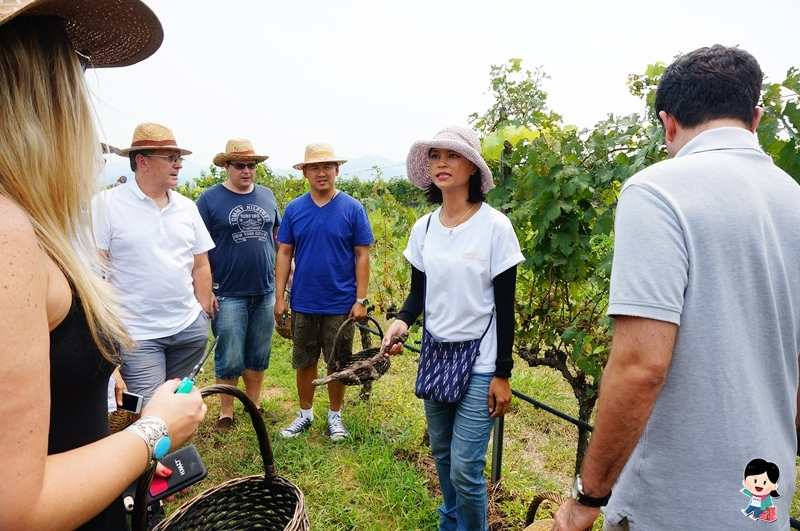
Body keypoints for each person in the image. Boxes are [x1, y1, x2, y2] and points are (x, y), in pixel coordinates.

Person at [553, 45, 800, 531]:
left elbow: (642, 366)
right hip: (764, 498)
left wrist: (588, 496)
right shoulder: (795, 200)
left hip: (671, 504)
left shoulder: (658, 190)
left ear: (668, 123)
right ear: (755, 118)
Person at [0, 2, 206, 530]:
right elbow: (16, 509)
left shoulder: (27, 219)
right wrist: (152, 430)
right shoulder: (9, 232)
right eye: (79, 63)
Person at [382, 125, 523, 531]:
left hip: (481, 361)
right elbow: (417, 295)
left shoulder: (495, 227)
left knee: (465, 466)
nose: (442, 163)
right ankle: (451, 522)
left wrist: (503, 373)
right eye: (435, 156)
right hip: (437, 354)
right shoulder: (424, 228)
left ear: (473, 167)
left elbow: (505, 307)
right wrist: (401, 323)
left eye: (453, 156)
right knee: (442, 453)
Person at [92, 122, 215, 404]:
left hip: (188, 328)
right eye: (170, 159)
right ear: (142, 161)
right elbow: (95, 271)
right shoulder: (107, 205)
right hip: (138, 335)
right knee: (149, 414)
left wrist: (202, 312)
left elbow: (200, 263)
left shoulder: (187, 207)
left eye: (179, 158)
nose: (179, 165)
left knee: (178, 402)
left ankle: (176, 450)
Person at [274, 142, 374, 440]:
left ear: (337, 170)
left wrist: (360, 299)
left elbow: (362, 255)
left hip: (341, 304)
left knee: (338, 363)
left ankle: (335, 416)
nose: (321, 173)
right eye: (314, 167)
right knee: (305, 361)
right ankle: (305, 414)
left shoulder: (352, 208)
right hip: (304, 301)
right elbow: (284, 253)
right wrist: (280, 297)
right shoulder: (295, 209)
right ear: (305, 172)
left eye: (327, 167)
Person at [197, 139, 281, 434]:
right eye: (240, 165)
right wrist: (205, 291)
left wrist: (286, 276)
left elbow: (277, 237)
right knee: (230, 354)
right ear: (226, 166)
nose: (247, 171)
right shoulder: (209, 200)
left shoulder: (267, 196)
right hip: (227, 291)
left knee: (259, 352)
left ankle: (254, 405)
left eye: (252, 165)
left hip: (264, 289)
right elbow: (199, 249)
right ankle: (226, 411)